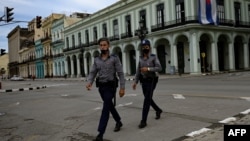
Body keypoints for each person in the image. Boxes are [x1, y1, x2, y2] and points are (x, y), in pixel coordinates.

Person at [86, 37, 126, 141]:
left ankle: (100, 133)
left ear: (108, 46)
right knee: (109, 106)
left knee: (105, 109)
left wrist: (122, 88)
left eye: (104, 45)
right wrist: (89, 82)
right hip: (101, 87)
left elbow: (120, 73)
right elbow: (93, 72)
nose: (103, 47)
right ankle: (118, 121)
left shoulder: (114, 58)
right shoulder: (96, 59)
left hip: (111, 87)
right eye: (101, 45)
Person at [132, 39, 163, 129]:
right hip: (144, 81)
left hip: (152, 80)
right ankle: (158, 110)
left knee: (146, 100)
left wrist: (148, 69)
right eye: (143, 47)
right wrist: (135, 82)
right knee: (148, 98)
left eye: (146, 46)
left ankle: (143, 121)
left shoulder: (153, 57)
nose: (145, 48)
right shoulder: (141, 58)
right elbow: (138, 70)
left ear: (149, 47)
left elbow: (159, 67)